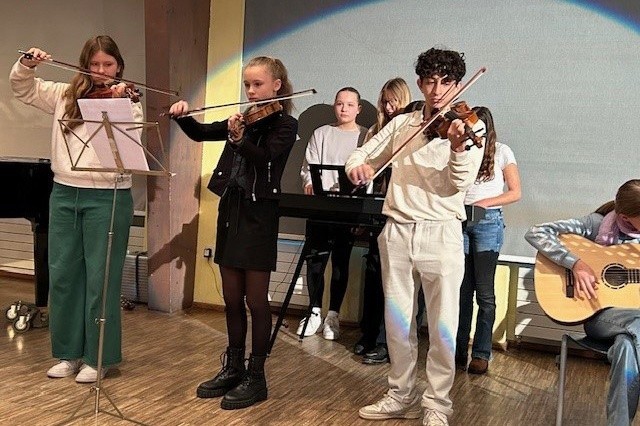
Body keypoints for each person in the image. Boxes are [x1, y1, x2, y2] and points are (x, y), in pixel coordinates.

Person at [346, 47, 486, 426]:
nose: (437, 91)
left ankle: (437, 404)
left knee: (442, 327)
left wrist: (457, 148)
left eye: (446, 82)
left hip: (441, 233)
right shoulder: (403, 124)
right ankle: (400, 394)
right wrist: (358, 166)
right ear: (420, 84)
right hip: (397, 230)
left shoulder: (470, 128)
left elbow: (460, 182)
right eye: (429, 82)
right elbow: (365, 153)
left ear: (457, 84)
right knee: (397, 322)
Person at [10, 36, 141, 383]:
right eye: (94, 65)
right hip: (65, 192)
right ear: (85, 65)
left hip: (108, 195)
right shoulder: (65, 95)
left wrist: (118, 106)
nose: (101, 71)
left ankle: (98, 358)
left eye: (108, 65)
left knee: (101, 279)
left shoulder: (128, 101)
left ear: (119, 66)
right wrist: (27, 64)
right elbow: (23, 89)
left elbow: (128, 151)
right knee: (64, 276)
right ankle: (67, 354)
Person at [168, 56, 297, 409]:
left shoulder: (286, 124)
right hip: (232, 212)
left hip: (259, 216)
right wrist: (182, 116)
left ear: (277, 86)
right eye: (247, 85)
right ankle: (234, 367)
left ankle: (257, 376)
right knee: (231, 298)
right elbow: (200, 132)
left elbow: (266, 158)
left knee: (256, 301)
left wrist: (240, 140)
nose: (251, 91)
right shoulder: (240, 120)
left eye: (257, 84)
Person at [525, 179, 640, 426]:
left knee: (627, 346)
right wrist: (576, 264)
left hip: (633, 326)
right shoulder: (597, 225)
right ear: (625, 217)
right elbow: (536, 232)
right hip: (599, 317)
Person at [355, 78, 425, 365]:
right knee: (374, 273)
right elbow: (367, 163)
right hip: (378, 207)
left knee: (399, 284)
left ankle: (387, 342)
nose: (388, 106)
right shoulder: (376, 130)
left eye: (393, 101)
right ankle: (369, 333)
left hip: (404, 209)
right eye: (384, 101)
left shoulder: (415, 128)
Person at [455, 106, 521, 375]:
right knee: (461, 292)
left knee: (484, 293)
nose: (472, 133)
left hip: (488, 222)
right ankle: (457, 351)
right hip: (460, 220)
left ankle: (481, 353)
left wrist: (485, 202)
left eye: (477, 128)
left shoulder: (502, 151)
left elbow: (515, 192)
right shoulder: (462, 150)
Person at [297, 87, 367, 340]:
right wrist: (309, 183)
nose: (344, 108)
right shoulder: (321, 133)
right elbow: (308, 167)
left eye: (350, 104)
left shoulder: (366, 136)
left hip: (347, 208)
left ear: (358, 109)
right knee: (315, 259)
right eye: (339, 103)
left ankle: (333, 316)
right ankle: (314, 311)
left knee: (340, 261)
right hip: (321, 205)